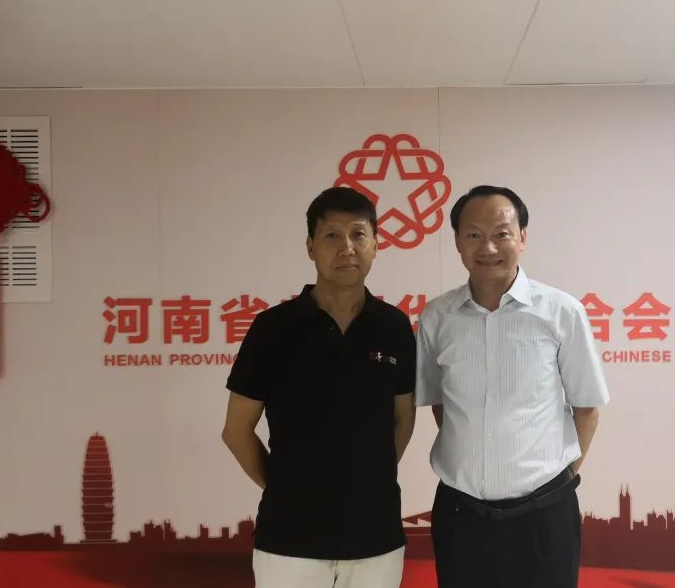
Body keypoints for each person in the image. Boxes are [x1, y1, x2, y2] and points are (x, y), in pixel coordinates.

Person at [415, 185, 610, 588]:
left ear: (522, 237)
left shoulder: (561, 312)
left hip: (544, 518)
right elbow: (441, 404)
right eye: (474, 234)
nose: (488, 247)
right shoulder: (437, 317)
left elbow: (587, 408)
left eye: (501, 233)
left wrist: (553, 479)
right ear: (457, 242)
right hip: (461, 516)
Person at [222, 187, 416, 588]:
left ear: (376, 244)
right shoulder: (273, 328)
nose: (347, 248)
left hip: (375, 539)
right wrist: (287, 486)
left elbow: (403, 419)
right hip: (289, 542)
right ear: (310, 247)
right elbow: (236, 430)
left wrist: (365, 478)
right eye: (332, 236)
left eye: (358, 234)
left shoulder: (393, 327)